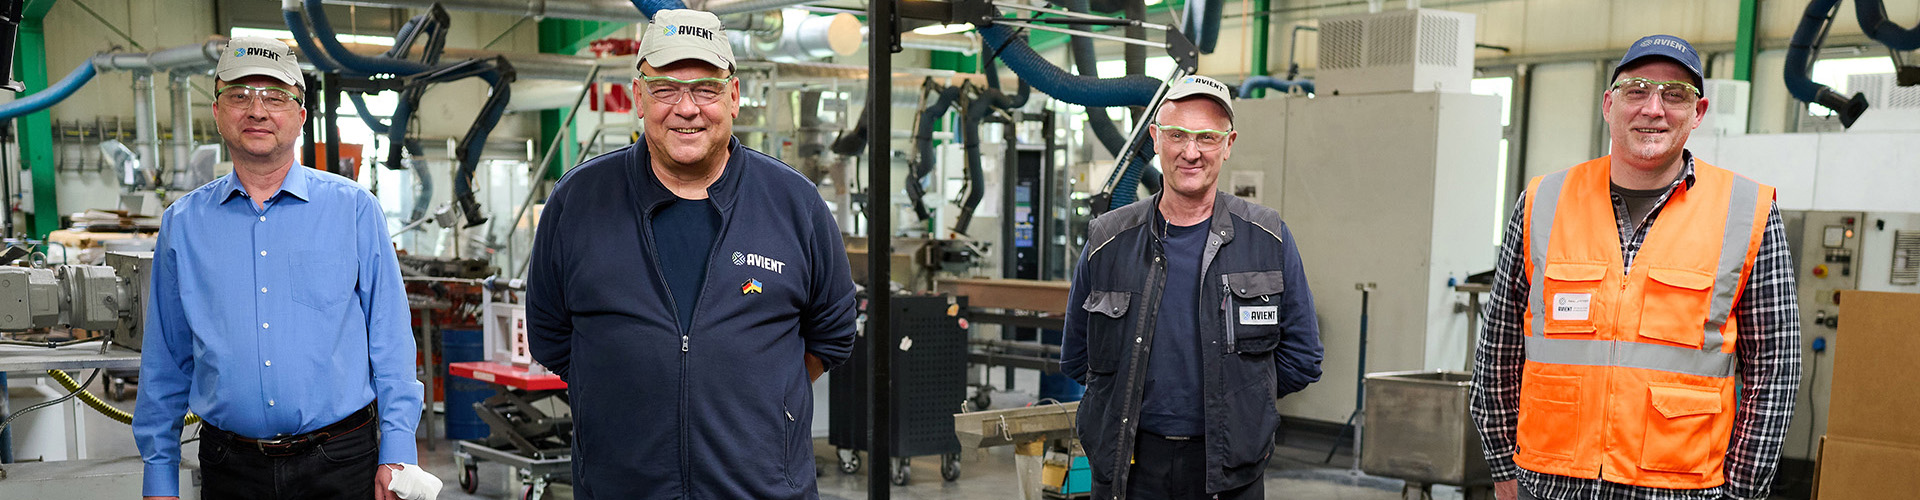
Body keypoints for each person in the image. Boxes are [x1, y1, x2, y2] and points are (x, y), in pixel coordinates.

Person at [525, 9, 858, 499]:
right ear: (639, 97)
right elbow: (551, 337)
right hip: (622, 488)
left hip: (760, 489)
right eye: (665, 89)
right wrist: (626, 384)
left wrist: (762, 396)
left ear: (735, 96)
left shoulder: (794, 204)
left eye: (706, 88)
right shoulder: (577, 203)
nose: (686, 108)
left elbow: (832, 334)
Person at [1470, 34, 1801, 500]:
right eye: (1637, 90)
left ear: (1698, 112)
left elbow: (1777, 368)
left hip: (1679, 489)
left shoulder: (1747, 211)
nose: (1653, 109)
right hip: (1549, 483)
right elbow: (1499, 348)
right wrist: (1503, 466)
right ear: (1609, 104)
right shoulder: (1543, 201)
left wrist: (1742, 491)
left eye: (1675, 95)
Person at [134, 36, 424, 500]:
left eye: (275, 96)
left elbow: (389, 341)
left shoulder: (353, 210)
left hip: (341, 463)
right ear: (216, 111)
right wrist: (159, 472)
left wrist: (398, 449)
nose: (257, 110)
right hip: (232, 467)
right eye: (239, 95)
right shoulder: (184, 224)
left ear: (300, 117)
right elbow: (166, 359)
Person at [1061, 75, 1324, 500]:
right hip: (1129, 466)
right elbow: (1077, 356)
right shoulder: (1107, 240)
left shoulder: (1267, 237)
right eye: (1178, 134)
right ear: (1155, 138)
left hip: (1229, 467)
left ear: (1229, 143)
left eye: (1207, 137)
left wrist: (1240, 401)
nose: (1191, 151)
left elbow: (1303, 357)